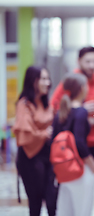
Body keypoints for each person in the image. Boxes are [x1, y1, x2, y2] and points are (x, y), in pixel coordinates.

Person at [50, 46, 94, 216]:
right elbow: (56, 108)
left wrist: (93, 119)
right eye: (88, 61)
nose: (92, 65)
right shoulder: (70, 83)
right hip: (74, 149)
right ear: (79, 61)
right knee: (73, 191)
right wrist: (79, 111)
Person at [12, 66, 57, 216]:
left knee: (52, 199)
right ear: (33, 81)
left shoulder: (45, 103)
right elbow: (25, 134)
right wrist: (44, 133)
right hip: (30, 157)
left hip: (47, 155)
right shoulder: (24, 104)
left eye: (48, 78)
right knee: (35, 202)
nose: (47, 82)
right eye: (43, 79)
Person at [52, 73, 94, 216]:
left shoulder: (61, 112)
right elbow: (79, 141)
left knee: (65, 210)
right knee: (83, 209)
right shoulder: (81, 112)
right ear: (82, 89)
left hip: (63, 168)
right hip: (79, 167)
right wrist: (91, 162)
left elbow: (53, 139)